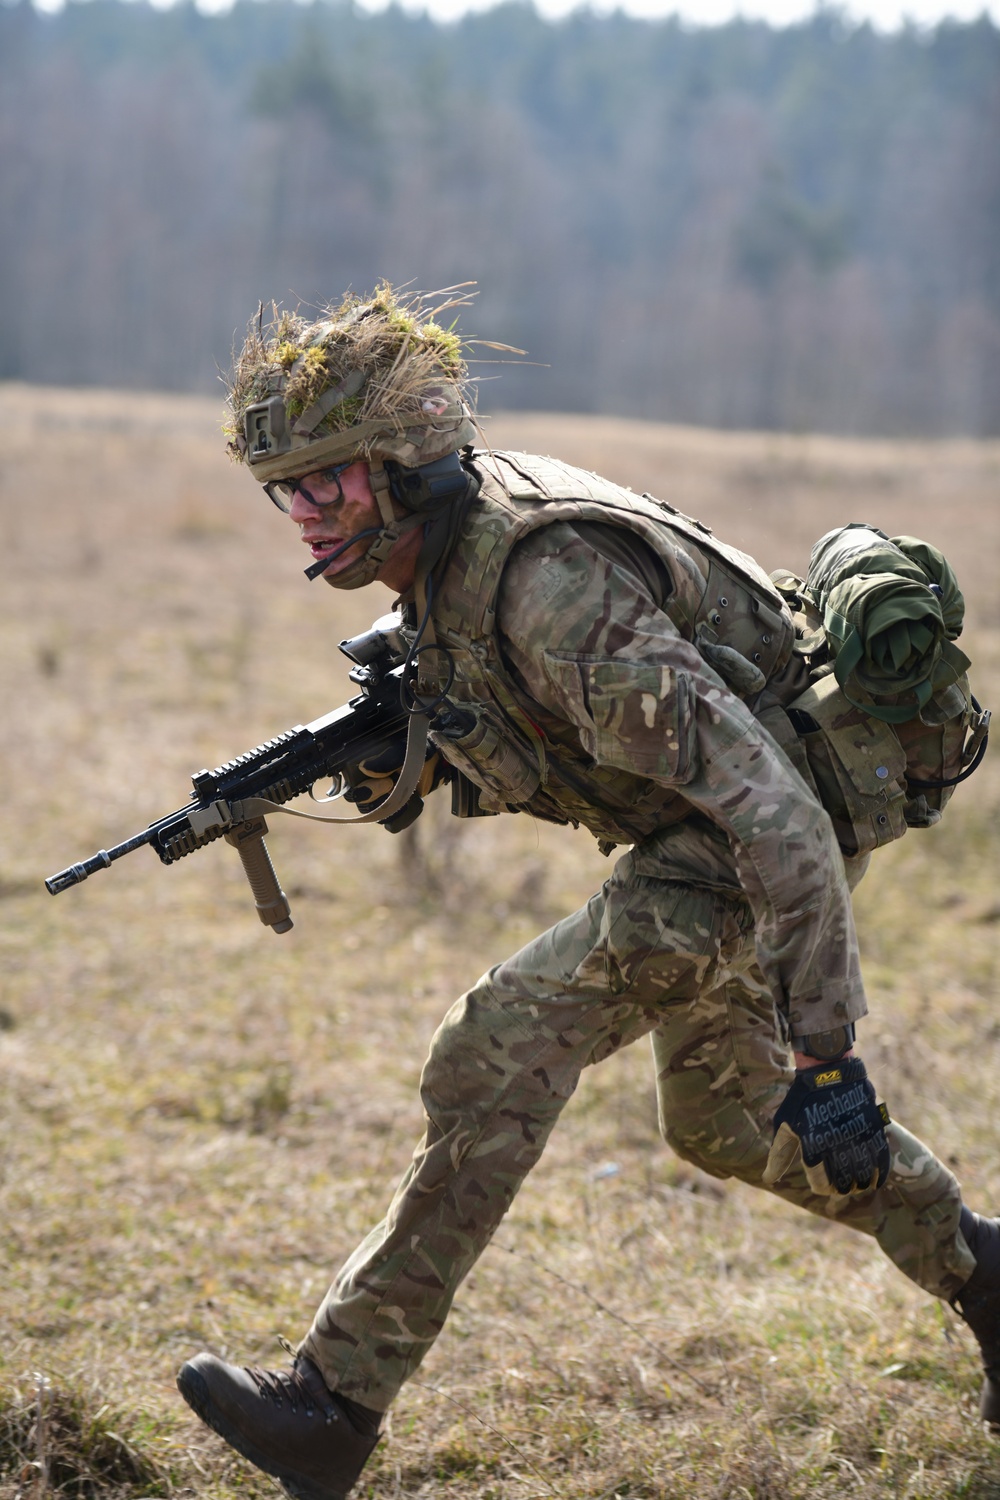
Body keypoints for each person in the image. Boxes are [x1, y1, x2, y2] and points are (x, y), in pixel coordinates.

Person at [176, 285, 998, 1500]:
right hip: (699, 828)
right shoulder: (450, 551)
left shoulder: (550, 589)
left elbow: (775, 816)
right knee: (718, 1121)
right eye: (284, 491)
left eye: (329, 482)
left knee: (494, 1048)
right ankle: (988, 1277)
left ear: (404, 464)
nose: (303, 515)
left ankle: (332, 1407)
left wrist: (828, 1053)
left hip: (754, 834)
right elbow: (528, 735)